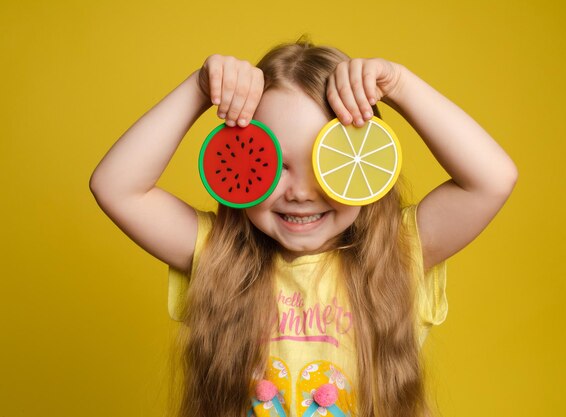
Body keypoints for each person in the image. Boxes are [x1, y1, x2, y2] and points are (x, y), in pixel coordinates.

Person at [90, 38, 517, 417]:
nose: (299, 192)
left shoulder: (398, 253)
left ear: (365, 164)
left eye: (325, 162)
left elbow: (492, 179)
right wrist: (199, 90)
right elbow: (116, 187)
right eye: (273, 164)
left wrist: (400, 86)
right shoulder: (217, 256)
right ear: (239, 159)